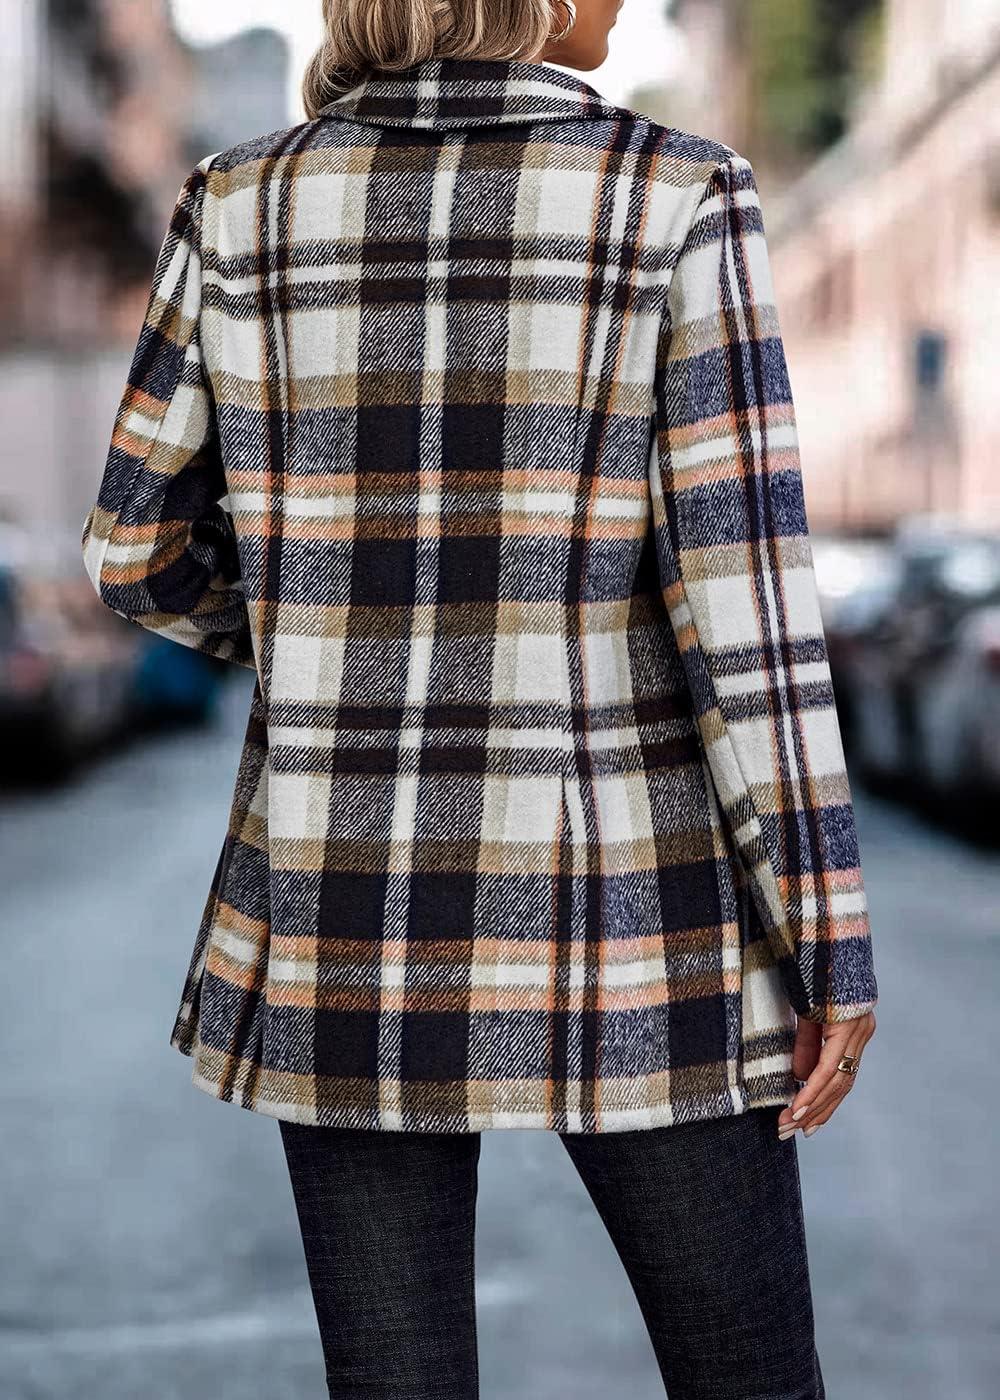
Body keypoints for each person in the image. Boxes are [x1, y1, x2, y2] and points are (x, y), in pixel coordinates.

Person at [80, 0, 879, 1395]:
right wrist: (827, 935)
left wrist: (316, 634)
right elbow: (743, 607)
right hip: (642, 914)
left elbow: (131, 551)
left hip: (341, 900)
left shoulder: (237, 202)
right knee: (748, 1377)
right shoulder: (674, 194)